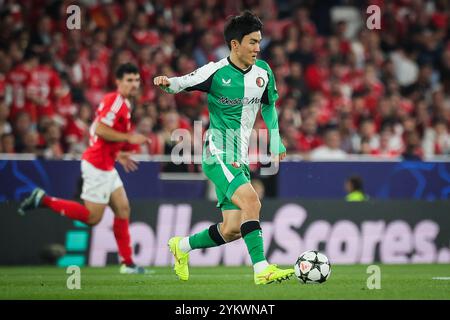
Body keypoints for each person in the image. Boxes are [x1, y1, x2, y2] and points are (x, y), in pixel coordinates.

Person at [154, 11, 294, 285]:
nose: (257, 48)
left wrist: (275, 138)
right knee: (252, 200)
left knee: (232, 229)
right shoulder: (215, 72)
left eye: (259, 42)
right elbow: (181, 82)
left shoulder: (264, 72)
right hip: (218, 151)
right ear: (235, 44)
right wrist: (166, 82)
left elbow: (269, 105)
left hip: (239, 155)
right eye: (252, 42)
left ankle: (180, 247)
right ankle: (262, 269)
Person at [18, 63, 149, 274]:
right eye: (129, 80)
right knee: (92, 218)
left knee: (123, 209)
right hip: (97, 165)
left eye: (136, 80)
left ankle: (128, 264)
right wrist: (128, 138)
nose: (134, 84)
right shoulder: (116, 101)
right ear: (118, 81)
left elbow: (94, 130)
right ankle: (44, 199)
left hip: (107, 163)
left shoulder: (122, 103)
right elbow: (100, 129)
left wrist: (118, 153)